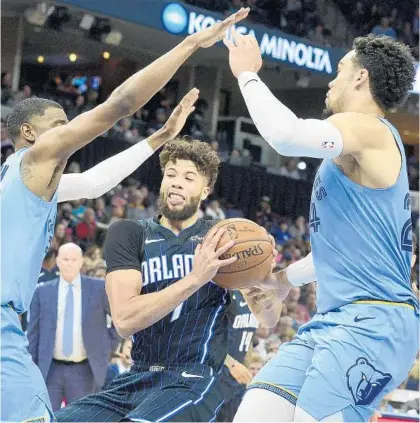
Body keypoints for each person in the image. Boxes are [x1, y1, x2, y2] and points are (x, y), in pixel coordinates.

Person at [0, 8, 249, 421]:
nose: (70, 131)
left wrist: (161, 137)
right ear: (29, 133)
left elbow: (97, 182)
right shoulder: (36, 158)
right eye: (59, 124)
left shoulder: (20, 179)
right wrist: (189, 45)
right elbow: (122, 103)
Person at [225, 31, 418, 422]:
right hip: (335, 319)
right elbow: (344, 250)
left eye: (340, 69)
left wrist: (247, 74)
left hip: (374, 321)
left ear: (361, 78)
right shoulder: (353, 152)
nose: (331, 80)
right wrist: (283, 281)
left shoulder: (371, 129)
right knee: (256, 413)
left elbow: (286, 135)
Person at [55, 138, 277, 422]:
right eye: (171, 175)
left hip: (194, 378)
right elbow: (124, 320)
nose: (176, 183)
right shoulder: (129, 233)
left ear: (206, 190)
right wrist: (195, 279)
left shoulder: (223, 239)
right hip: (138, 375)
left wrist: (268, 282)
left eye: (188, 177)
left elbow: (268, 319)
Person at [27, 243, 121, 411]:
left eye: (73, 259)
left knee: (82, 417)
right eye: (65, 259)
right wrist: (33, 369)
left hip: (85, 369)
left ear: (81, 262)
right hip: (49, 370)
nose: (69, 263)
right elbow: (33, 334)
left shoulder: (99, 288)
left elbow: (118, 318)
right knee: (46, 415)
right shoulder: (42, 292)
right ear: (57, 261)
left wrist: (107, 347)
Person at [216, 291, 259, 422]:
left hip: (237, 382)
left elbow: (249, 337)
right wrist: (231, 363)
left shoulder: (255, 297)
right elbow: (208, 338)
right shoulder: (225, 293)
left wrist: (246, 367)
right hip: (217, 375)